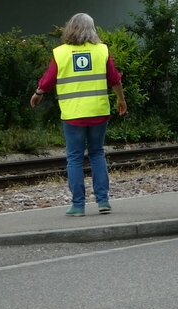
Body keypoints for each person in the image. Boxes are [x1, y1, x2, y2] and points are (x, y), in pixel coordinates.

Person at [30, 13, 127, 215]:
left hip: (73, 114)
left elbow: (48, 80)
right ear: (92, 29)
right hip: (98, 112)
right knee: (97, 153)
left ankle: (78, 205)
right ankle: (103, 201)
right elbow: (114, 78)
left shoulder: (60, 53)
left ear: (70, 28)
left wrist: (39, 93)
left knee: (74, 158)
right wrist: (121, 99)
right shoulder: (102, 51)